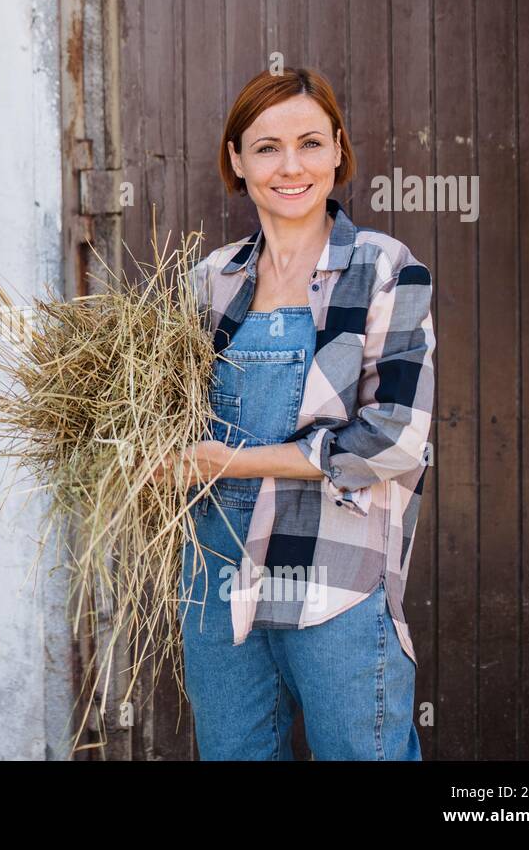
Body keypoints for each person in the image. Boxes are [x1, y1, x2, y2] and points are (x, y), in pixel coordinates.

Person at [151, 67, 435, 760]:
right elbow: (162, 415)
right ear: (236, 160)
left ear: (337, 150)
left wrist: (230, 462)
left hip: (332, 575)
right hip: (216, 575)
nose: (291, 166)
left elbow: (395, 438)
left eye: (310, 143)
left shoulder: (385, 270)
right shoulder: (207, 282)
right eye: (267, 147)